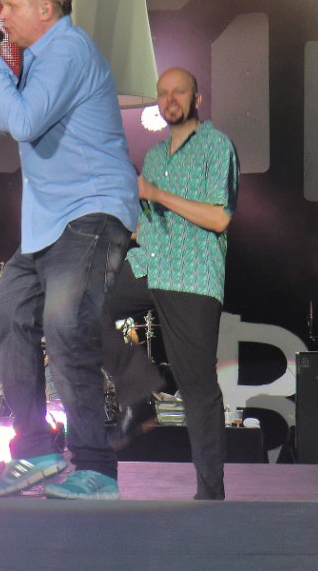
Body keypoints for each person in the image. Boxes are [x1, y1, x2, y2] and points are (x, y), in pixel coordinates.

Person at [0, 0, 137, 500]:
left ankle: (96, 467)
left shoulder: (67, 49)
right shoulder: (42, 58)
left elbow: (27, 122)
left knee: (65, 325)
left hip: (90, 211)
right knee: (8, 315)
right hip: (49, 223)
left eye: (11, 5)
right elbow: (28, 117)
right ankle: (37, 450)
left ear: (46, 8)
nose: (2, 16)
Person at [102, 67, 239, 500]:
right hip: (149, 265)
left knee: (197, 387)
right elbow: (147, 222)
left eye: (179, 92)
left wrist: (157, 194)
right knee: (85, 306)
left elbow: (218, 217)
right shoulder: (156, 155)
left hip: (191, 274)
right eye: (163, 93)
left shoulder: (217, 146)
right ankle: (141, 390)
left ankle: (210, 493)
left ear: (197, 99)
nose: (169, 99)